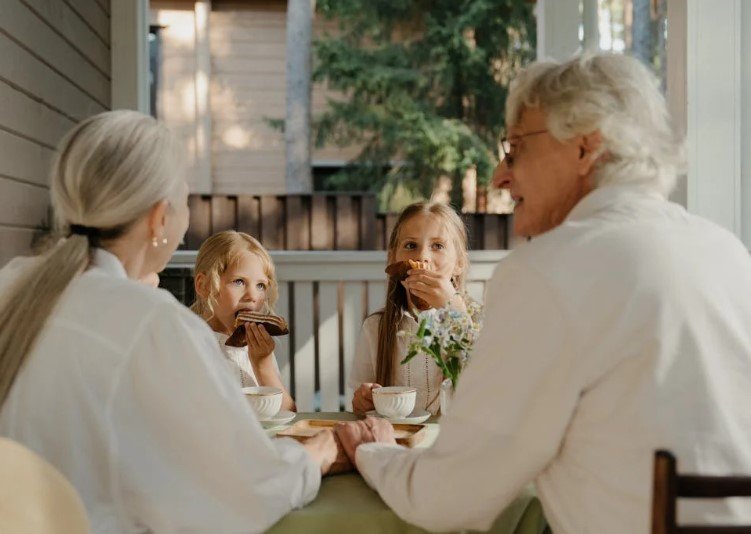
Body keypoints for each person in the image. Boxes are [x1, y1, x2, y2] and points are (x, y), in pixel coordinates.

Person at [334, 53, 751, 533]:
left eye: (515, 149)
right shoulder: (726, 253)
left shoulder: (549, 271)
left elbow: (449, 497)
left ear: (585, 146)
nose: (500, 177)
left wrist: (373, 449)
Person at [0, 111, 340, 532]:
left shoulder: (12, 283)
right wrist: (313, 458)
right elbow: (242, 492)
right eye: (185, 200)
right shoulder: (154, 324)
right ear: (160, 218)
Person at [348, 201, 475, 415]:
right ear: (392, 259)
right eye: (410, 246)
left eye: (438, 246)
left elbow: (488, 392)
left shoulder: (478, 324)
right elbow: (359, 403)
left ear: (459, 263)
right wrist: (363, 400)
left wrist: (455, 310)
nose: (422, 257)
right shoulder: (375, 328)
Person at [191, 230, 295, 411]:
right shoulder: (190, 343)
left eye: (260, 285)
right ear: (204, 286)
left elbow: (288, 414)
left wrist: (263, 365)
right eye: (239, 282)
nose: (252, 296)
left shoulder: (258, 347)